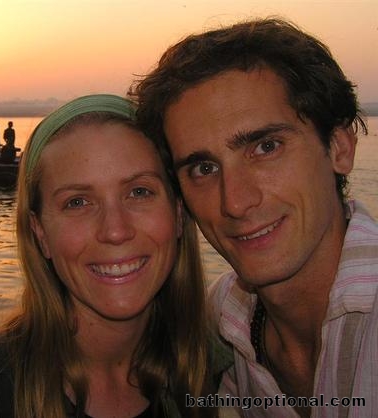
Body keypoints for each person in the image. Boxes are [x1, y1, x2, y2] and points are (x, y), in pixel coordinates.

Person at [0, 94, 221, 418]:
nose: (115, 231)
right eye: (77, 202)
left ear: (178, 212)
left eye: (139, 192)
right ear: (40, 233)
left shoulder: (217, 366)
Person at [131, 17, 377, 417]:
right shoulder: (223, 317)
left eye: (266, 147)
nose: (235, 202)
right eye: (204, 168)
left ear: (339, 148)